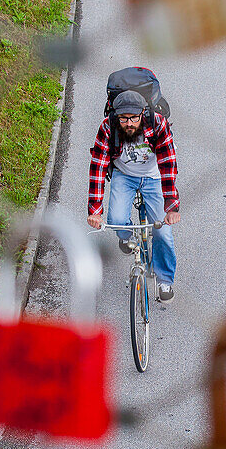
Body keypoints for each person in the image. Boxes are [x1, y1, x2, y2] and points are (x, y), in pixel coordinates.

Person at [87, 90, 180, 301]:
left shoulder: (157, 123)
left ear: (142, 114)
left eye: (134, 118)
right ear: (116, 115)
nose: (129, 123)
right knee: (117, 221)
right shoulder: (107, 127)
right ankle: (127, 237)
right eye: (123, 118)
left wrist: (171, 205)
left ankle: (165, 281)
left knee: (163, 233)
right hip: (124, 176)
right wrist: (95, 211)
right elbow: (98, 168)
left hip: (155, 177)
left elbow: (168, 164)